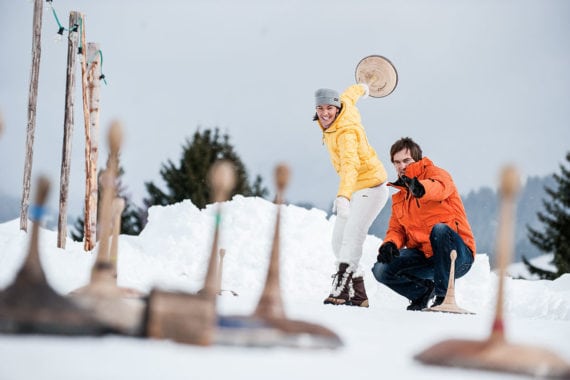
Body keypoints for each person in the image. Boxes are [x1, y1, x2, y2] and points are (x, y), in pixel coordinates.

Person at [371, 137, 476, 311]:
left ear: (417, 159)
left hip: (457, 257)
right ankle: (422, 292)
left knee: (440, 230)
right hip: (426, 258)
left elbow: (439, 187)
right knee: (381, 269)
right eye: (397, 162)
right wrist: (390, 244)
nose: (402, 166)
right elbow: (397, 230)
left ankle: (443, 298)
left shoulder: (437, 175)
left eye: (406, 160)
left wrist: (421, 188)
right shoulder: (400, 198)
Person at [314, 84, 389, 307]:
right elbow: (351, 93)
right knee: (338, 241)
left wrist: (343, 196)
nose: (325, 113)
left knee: (351, 236)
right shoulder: (343, 104)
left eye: (329, 108)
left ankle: (341, 289)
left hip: (372, 188)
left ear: (337, 109)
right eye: (320, 108)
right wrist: (365, 87)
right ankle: (359, 294)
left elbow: (350, 165)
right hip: (355, 188)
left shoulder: (346, 132)